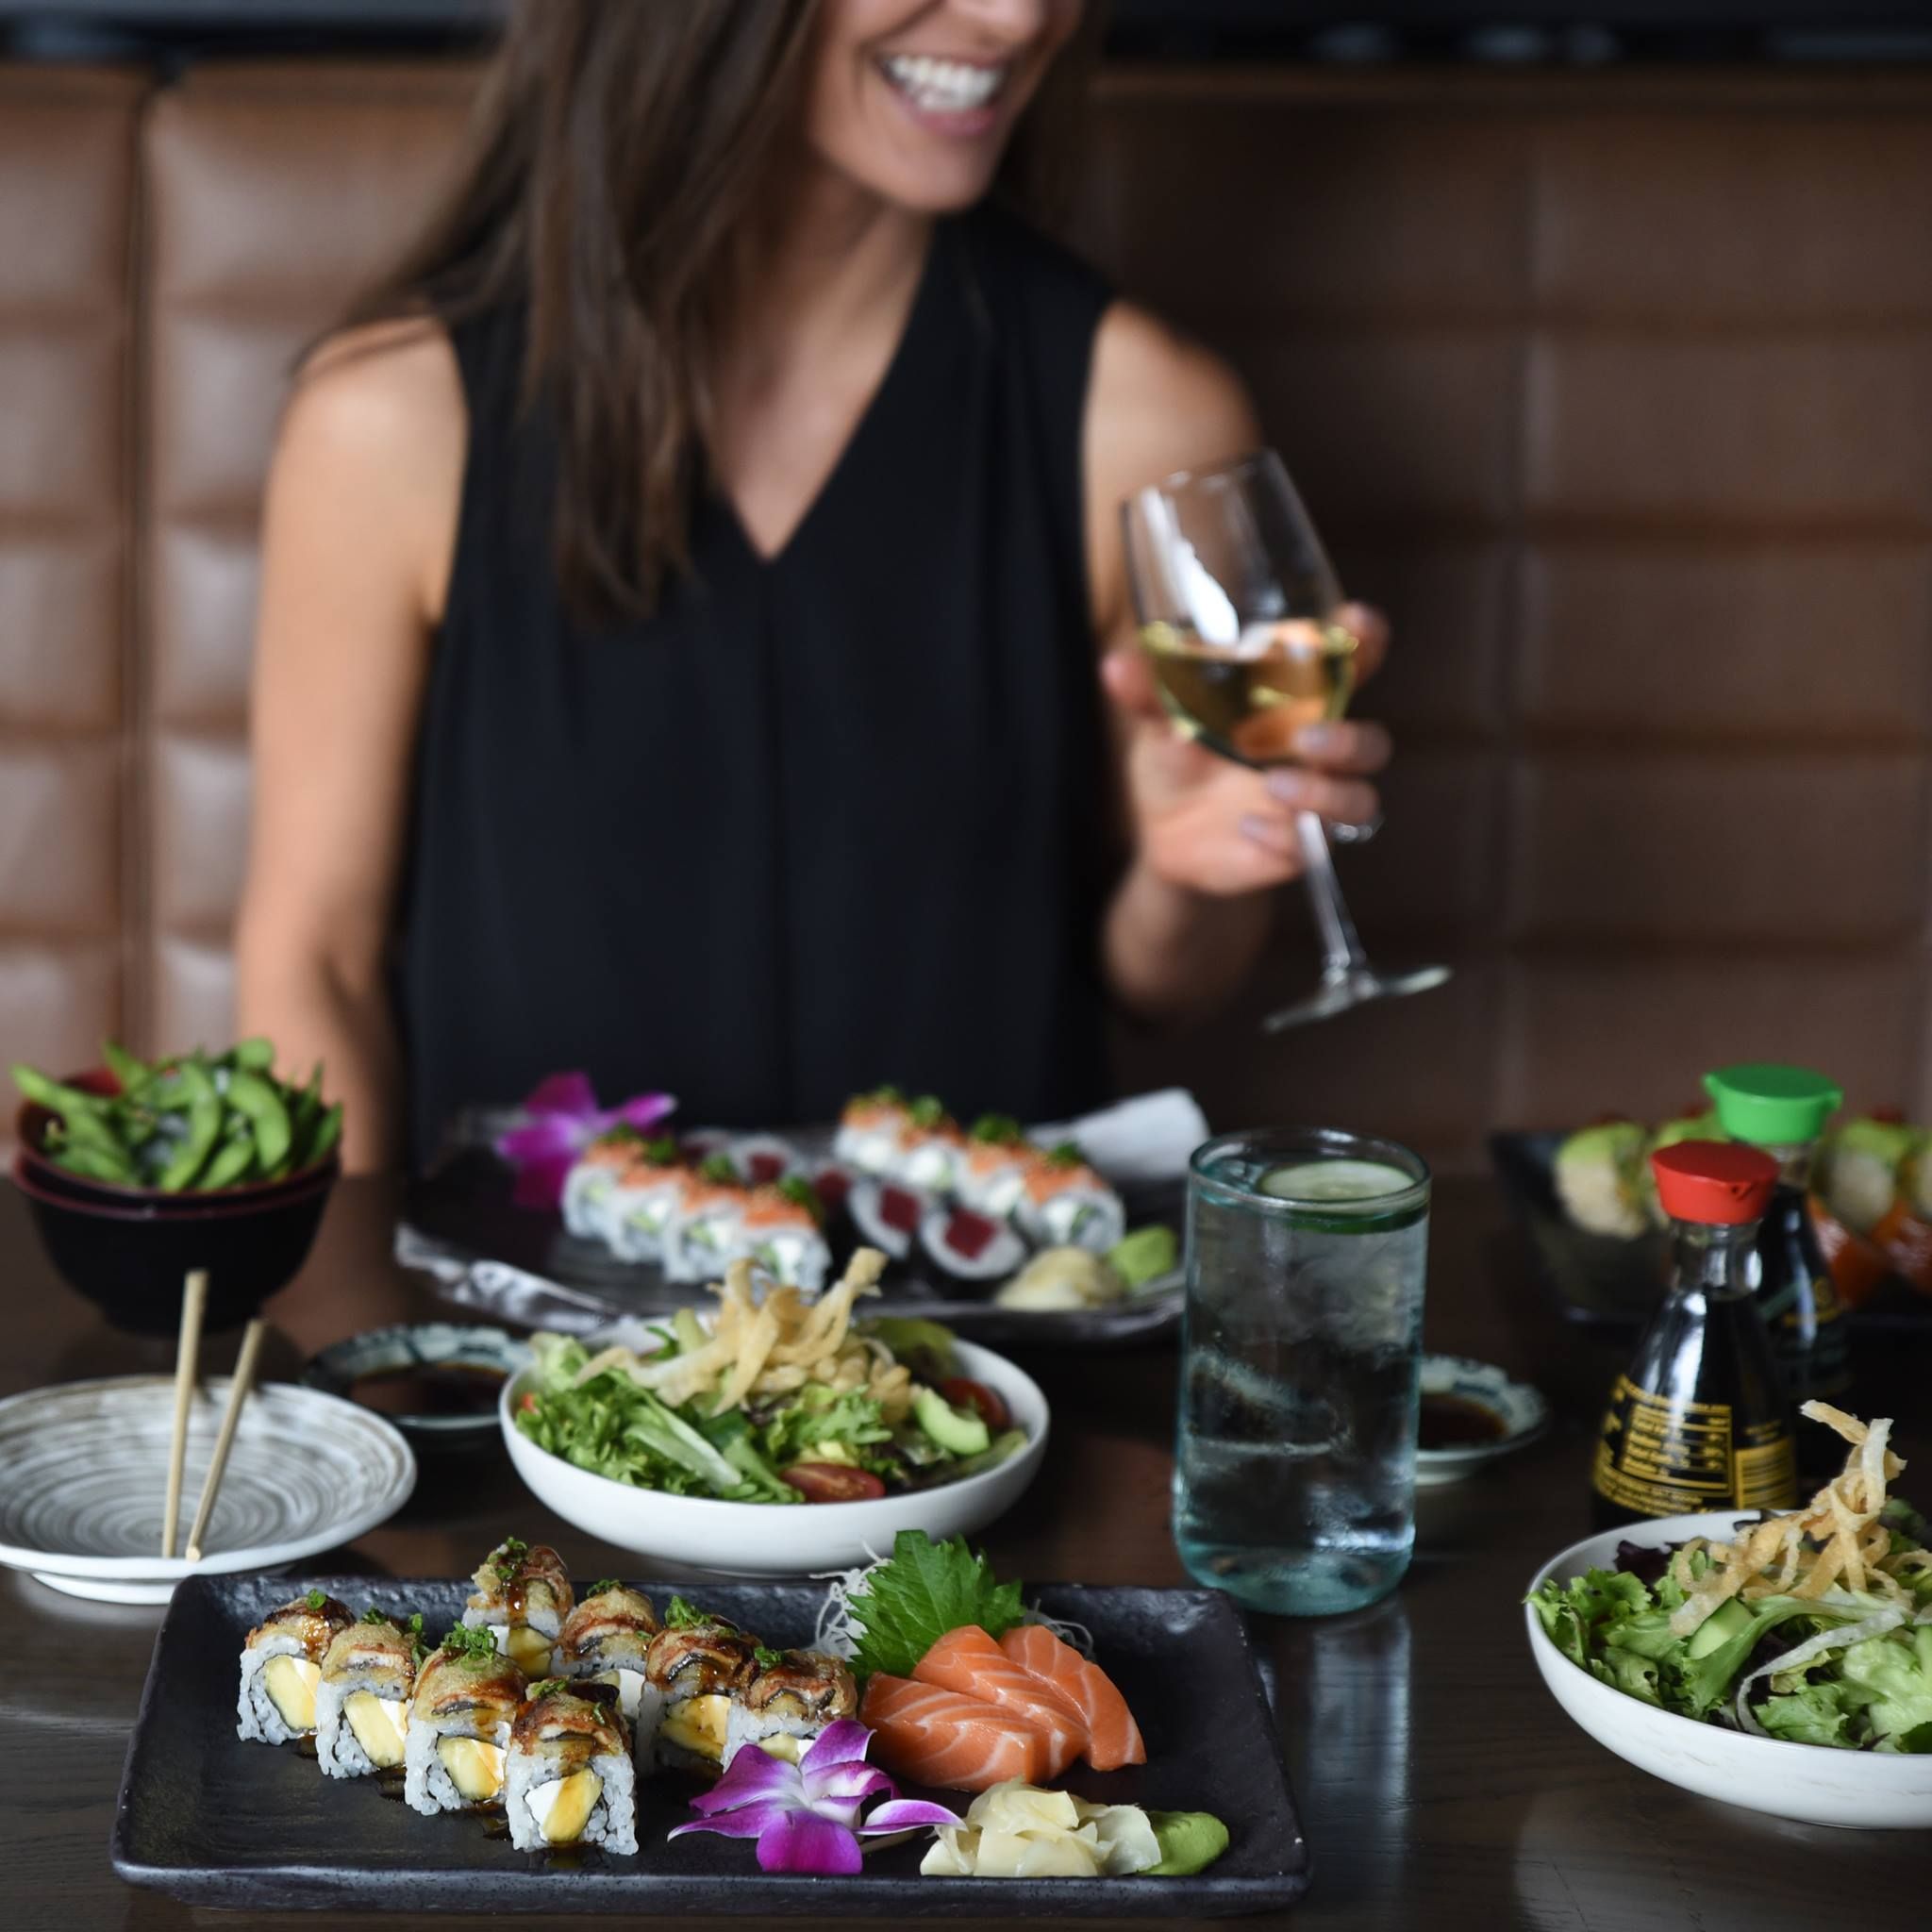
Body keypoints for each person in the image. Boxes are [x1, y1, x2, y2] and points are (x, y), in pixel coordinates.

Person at [236, 0, 1392, 1173]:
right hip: (511, 1286)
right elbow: (314, 963)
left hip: (994, 1285)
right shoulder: (390, 421)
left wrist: (1186, 878)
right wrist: (355, 1295)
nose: (1017, 16)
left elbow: (1162, 986)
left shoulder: (1143, 415)